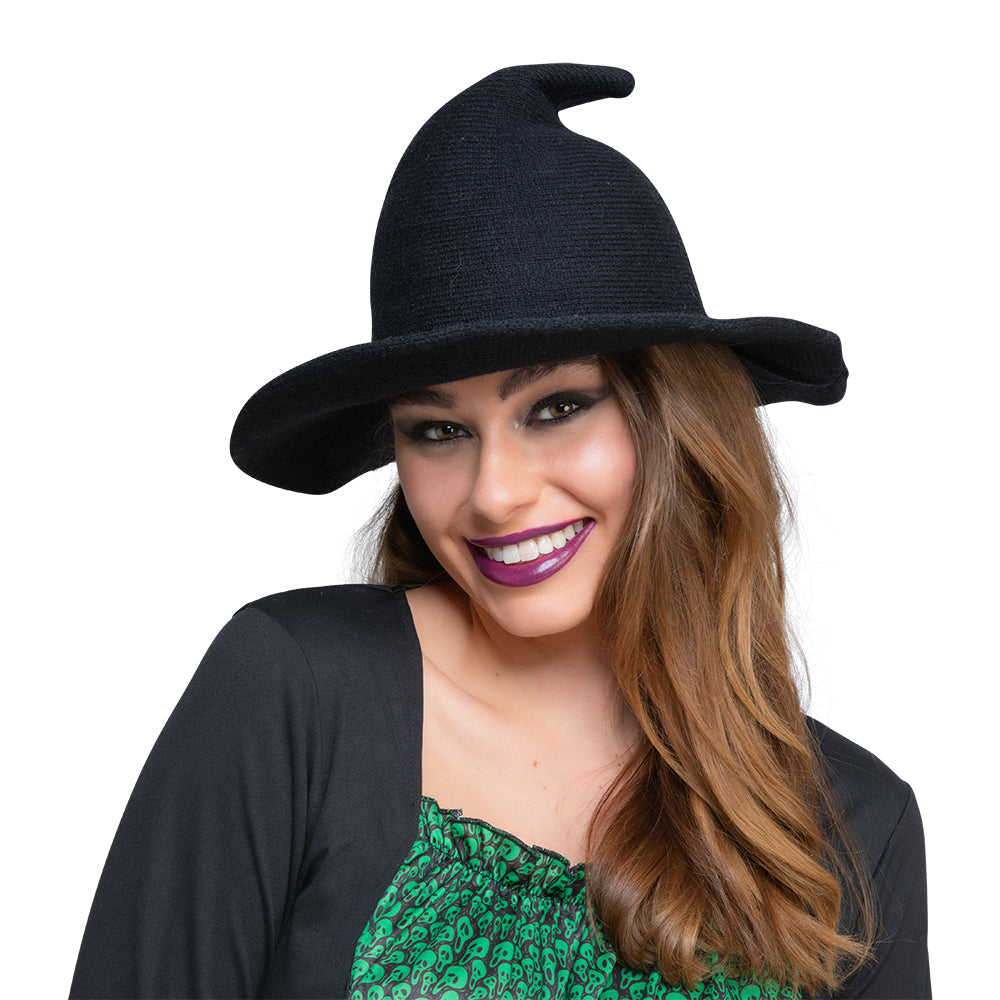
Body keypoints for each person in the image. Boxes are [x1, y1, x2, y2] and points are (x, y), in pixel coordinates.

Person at [70, 63, 930, 1000]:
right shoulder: (296, 693)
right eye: (438, 431)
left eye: (557, 408)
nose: (495, 494)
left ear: (677, 420)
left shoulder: (849, 830)